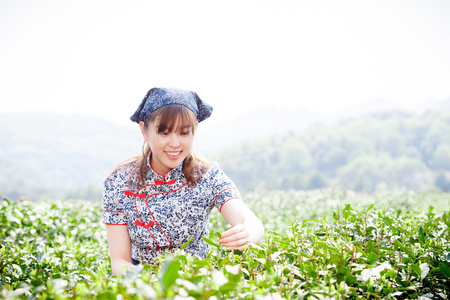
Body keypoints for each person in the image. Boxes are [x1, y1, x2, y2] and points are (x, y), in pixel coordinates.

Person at [102, 87, 264, 275]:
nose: (175, 143)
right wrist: (151, 287)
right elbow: (120, 261)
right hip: (142, 285)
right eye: (164, 133)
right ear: (144, 131)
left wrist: (246, 235)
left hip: (197, 282)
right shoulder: (119, 181)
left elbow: (251, 222)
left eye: (185, 133)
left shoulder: (207, 175)